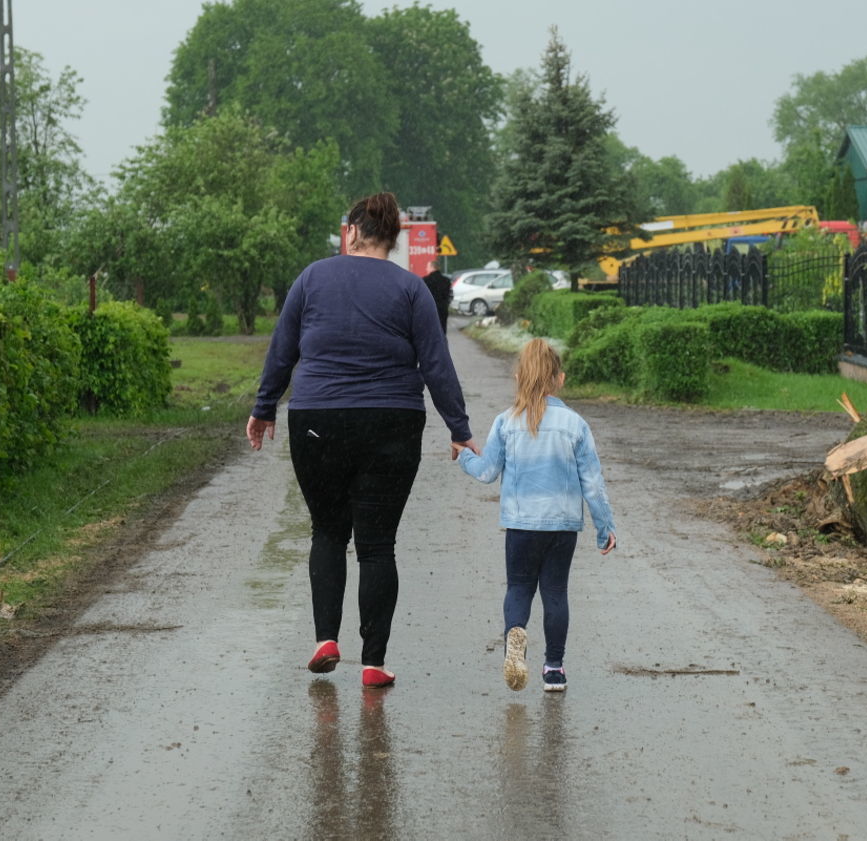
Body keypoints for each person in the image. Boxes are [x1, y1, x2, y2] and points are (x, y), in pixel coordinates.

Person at [247, 192, 478, 689]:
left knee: (328, 532)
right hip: (391, 421)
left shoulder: (312, 278)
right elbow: (436, 363)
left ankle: (326, 639)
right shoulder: (411, 289)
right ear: (393, 240)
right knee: (377, 545)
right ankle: (373, 663)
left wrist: (264, 408)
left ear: (349, 233)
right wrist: (459, 429)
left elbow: (282, 349)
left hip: (316, 420)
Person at [455, 339, 616, 692]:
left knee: (519, 588)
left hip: (521, 524)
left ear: (517, 378)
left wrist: (463, 455)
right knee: (555, 592)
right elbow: (593, 483)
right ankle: (554, 669)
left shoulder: (506, 422)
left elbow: (485, 473)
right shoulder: (575, 425)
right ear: (560, 379)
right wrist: (605, 528)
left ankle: (516, 637)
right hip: (562, 526)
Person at [421, 258, 453, 334]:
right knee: (442, 332)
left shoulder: (425, 280)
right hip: (443, 310)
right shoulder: (446, 280)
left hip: (429, 311)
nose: (426, 269)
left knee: (430, 333)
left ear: (432, 267)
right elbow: (449, 295)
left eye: (427, 267)